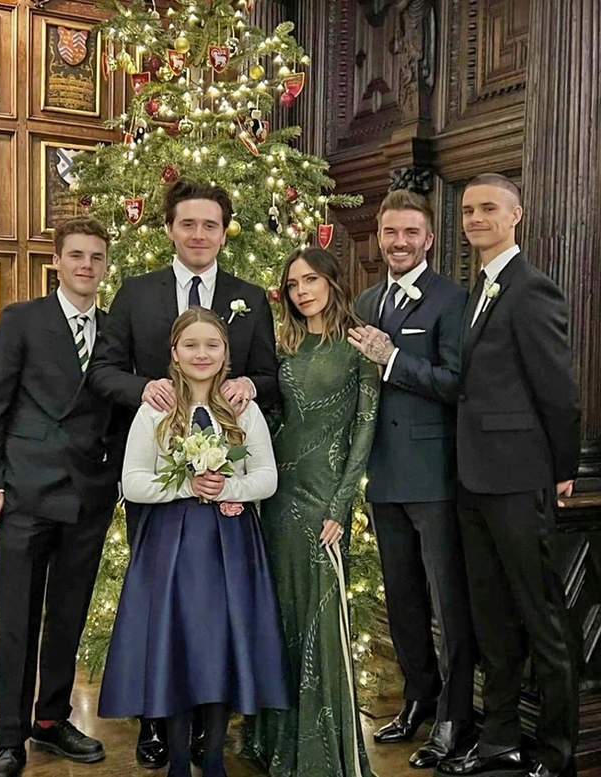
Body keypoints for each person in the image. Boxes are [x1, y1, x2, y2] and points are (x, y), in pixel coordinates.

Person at [88, 178, 279, 767]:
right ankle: (156, 723)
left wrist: (248, 388)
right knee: (162, 605)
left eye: (210, 225)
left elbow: (268, 375)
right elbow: (104, 371)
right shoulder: (136, 292)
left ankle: (207, 732)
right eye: (188, 223)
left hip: (226, 482)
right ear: (170, 228)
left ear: (225, 232)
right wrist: (148, 391)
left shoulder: (250, 296)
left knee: (215, 614)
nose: (199, 234)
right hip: (159, 477)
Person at [437, 173, 580, 777]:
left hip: (521, 478)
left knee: (541, 617)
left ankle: (557, 752)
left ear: (515, 215)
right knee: (491, 618)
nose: (475, 218)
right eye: (468, 210)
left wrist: (563, 468)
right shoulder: (478, 288)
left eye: (488, 208)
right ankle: (499, 740)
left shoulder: (530, 288)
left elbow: (559, 390)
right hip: (473, 478)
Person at [0, 217, 123, 777]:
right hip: (24, 494)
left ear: (106, 265)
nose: (86, 265)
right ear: (56, 261)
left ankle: (52, 721)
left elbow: (120, 410)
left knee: (67, 617)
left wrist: (115, 479)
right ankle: (9, 737)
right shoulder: (22, 320)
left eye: (96, 257)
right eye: (76, 255)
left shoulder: (115, 331)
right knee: (16, 620)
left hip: (88, 496)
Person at [349, 189, 475, 769]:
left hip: (435, 477)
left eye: (410, 233)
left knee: (448, 604)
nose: (399, 242)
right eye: (390, 232)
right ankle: (418, 698)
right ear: (379, 237)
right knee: (401, 600)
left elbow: (456, 384)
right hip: (383, 475)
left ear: (428, 238)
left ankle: (455, 717)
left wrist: (393, 358)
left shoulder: (453, 299)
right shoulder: (367, 300)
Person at [252, 247, 379, 777]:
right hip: (277, 497)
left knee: (321, 622)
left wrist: (342, 504)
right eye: (292, 284)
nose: (301, 291)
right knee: (281, 615)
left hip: (324, 498)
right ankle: (278, 745)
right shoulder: (284, 345)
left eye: (310, 280)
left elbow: (365, 429)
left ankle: (323, 757)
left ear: (331, 281)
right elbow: (274, 419)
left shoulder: (358, 345)